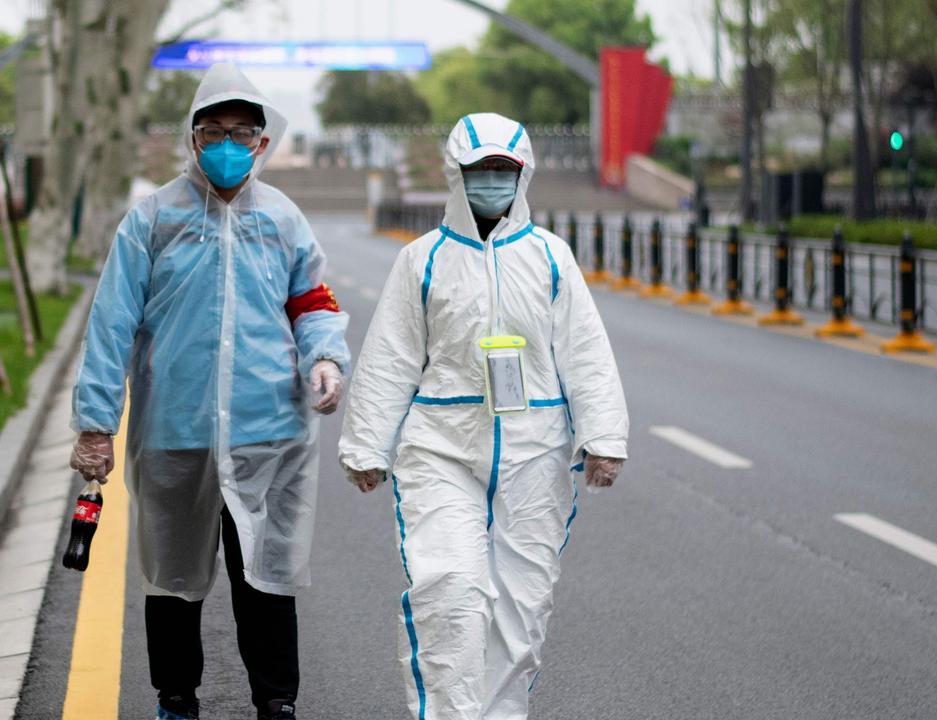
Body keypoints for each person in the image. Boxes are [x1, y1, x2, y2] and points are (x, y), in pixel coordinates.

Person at [68, 62, 349, 720]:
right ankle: (175, 700)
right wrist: (94, 424)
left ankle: (277, 702)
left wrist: (326, 357)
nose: (227, 143)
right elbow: (111, 325)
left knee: (267, 578)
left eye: (241, 132)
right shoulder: (153, 219)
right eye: (213, 130)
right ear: (191, 139)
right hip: (176, 431)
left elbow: (312, 299)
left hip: (267, 433)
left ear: (262, 142)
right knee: (172, 579)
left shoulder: (281, 218)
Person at [338, 112, 629, 720]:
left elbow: (585, 350)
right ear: (456, 174)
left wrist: (603, 437)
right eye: (480, 170)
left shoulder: (551, 258)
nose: (491, 181)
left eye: (503, 169)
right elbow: (392, 354)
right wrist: (367, 444)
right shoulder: (422, 260)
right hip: (440, 448)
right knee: (449, 591)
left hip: (536, 451)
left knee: (519, 609)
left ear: (523, 176)